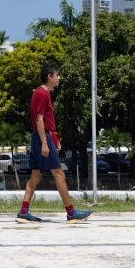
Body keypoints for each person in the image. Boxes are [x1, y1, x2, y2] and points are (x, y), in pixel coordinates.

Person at [16, 62, 92, 224]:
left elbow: (43, 122)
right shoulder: (42, 94)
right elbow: (39, 120)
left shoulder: (40, 93)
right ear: (49, 77)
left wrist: (52, 139)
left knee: (36, 175)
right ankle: (71, 213)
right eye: (57, 75)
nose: (59, 78)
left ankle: (23, 212)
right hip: (43, 138)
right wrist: (45, 142)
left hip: (42, 138)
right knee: (59, 174)